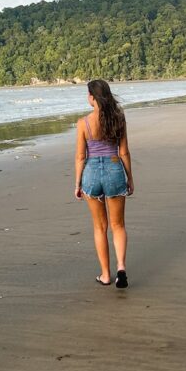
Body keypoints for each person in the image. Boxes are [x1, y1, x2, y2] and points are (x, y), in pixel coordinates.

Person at [74, 79, 134, 288]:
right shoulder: (119, 118)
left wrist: (77, 183)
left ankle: (106, 275)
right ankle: (121, 268)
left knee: (100, 227)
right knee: (118, 225)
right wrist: (130, 178)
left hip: (91, 173)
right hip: (115, 169)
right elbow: (124, 152)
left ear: (92, 98)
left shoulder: (84, 123)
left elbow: (81, 156)